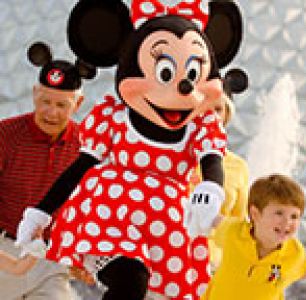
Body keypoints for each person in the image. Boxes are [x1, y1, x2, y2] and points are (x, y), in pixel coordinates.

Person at [14, 1, 244, 299]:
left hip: (165, 228)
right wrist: (41, 213)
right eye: (165, 72)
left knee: (148, 291)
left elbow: (211, 160)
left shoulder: (200, 126)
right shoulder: (114, 118)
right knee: (130, 282)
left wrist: (212, 189)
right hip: (112, 217)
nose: (182, 87)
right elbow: (80, 167)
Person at [0, 41, 94, 299]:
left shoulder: (88, 146)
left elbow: (91, 207)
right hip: (5, 251)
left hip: (52, 257)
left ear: (78, 103)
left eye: (61, 105)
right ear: (33, 94)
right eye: (44, 101)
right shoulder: (5, 135)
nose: (50, 113)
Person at [202, 174, 306, 300]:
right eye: (279, 213)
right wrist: (199, 206)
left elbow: (302, 270)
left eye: (294, 216)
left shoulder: (293, 252)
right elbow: (213, 218)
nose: (287, 222)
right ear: (255, 214)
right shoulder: (234, 232)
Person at [190, 68, 250, 271]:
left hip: (212, 268)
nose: (211, 116)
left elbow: (237, 224)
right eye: (204, 107)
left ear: (226, 115)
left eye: (218, 109)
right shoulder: (168, 156)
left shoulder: (238, 167)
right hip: (165, 261)